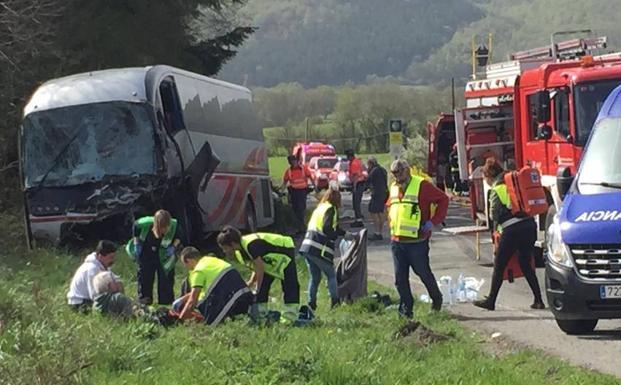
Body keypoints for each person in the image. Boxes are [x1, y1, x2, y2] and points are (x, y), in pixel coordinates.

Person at [473, 158, 544, 311]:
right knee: (525, 262)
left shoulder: (497, 188)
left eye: (485, 178)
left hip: (512, 230)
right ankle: (538, 299)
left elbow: (493, 215)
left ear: (489, 176)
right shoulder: (514, 181)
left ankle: (491, 301)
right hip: (529, 226)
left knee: (499, 265)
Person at [387, 159, 449, 318]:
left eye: (399, 172)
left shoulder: (422, 186)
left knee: (423, 273)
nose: (397, 176)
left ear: (407, 171)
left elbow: (443, 199)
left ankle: (436, 299)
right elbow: (391, 206)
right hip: (397, 241)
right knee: (400, 279)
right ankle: (406, 311)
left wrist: (433, 222)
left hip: (417, 242)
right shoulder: (393, 187)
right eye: (394, 173)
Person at [217, 226, 300, 321]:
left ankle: (289, 317)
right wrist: (251, 282)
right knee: (263, 285)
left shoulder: (251, 245)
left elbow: (260, 267)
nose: (224, 251)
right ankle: (261, 315)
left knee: (290, 285)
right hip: (269, 260)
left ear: (232, 244)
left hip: (284, 251)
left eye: (225, 248)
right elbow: (256, 266)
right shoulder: (240, 251)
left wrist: (257, 287)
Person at [176, 247, 254, 326]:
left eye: (185, 264)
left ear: (189, 260)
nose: (186, 267)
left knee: (207, 315)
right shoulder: (210, 260)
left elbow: (193, 299)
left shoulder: (198, 271)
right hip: (240, 288)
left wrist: (180, 319)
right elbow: (204, 289)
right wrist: (182, 299)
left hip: (225, 289)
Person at [300, 187, 346, 310]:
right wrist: (335, 236)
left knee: (315, 277)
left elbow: (326, 225)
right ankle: (335, 302)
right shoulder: (331, 209)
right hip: (318, 248)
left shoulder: (320, 208)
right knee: (331, 275)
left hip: (307, 247)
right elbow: (327, 228)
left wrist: (343, 233)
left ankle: (311, 303)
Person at [129, 209, 182, 305]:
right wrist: (137, 243)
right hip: (147, 253)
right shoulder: (144, 223)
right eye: (161, 228)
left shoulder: (175, 225)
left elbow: (180, 237)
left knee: (165, 279)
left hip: (165, 255)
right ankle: (145, 301)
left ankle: (165, 302)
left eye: (166, 227)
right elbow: (135, 228)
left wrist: (173, 247)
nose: (164, 230)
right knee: (145, 277)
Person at [67, 240, 120, 312]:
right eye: (110, 257)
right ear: (100, 256)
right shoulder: (92, 269)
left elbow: (115, 280)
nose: (113, 260)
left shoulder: (103, 265)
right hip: (80, 303)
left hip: (89, 300)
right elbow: (94, 295)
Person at [282, 154, 312, 230]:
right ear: (289, 162)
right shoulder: (288, 171)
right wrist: (281, 191)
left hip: (302, 191)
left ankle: (301, 226)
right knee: (295, 209)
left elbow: (310, 177)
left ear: (297, 161)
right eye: (291, 161)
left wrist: (315, 187)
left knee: (301, 209)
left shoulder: (303, 169)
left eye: (294, 161)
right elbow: (285, 182)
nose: (293, 162)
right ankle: (300, 226)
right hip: (294, 192)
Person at [366, 156, 388, 241]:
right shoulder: (383, 169)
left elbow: (368, 180)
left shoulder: (374, 170)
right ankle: (380, 232)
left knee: (373, 211)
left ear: (371, 163)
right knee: (380, 212)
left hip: (377, 194)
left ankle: (377, 232)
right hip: (384, 193)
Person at [346, 149, 365, 227]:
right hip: (359, 183)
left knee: (356, 203)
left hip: (358, 184)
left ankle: (359, 220)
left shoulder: (354, 163)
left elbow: (356, 175)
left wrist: (354, 186)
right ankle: (358, 218)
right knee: (356, 202)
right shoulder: (356, 161)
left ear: (350, 156)